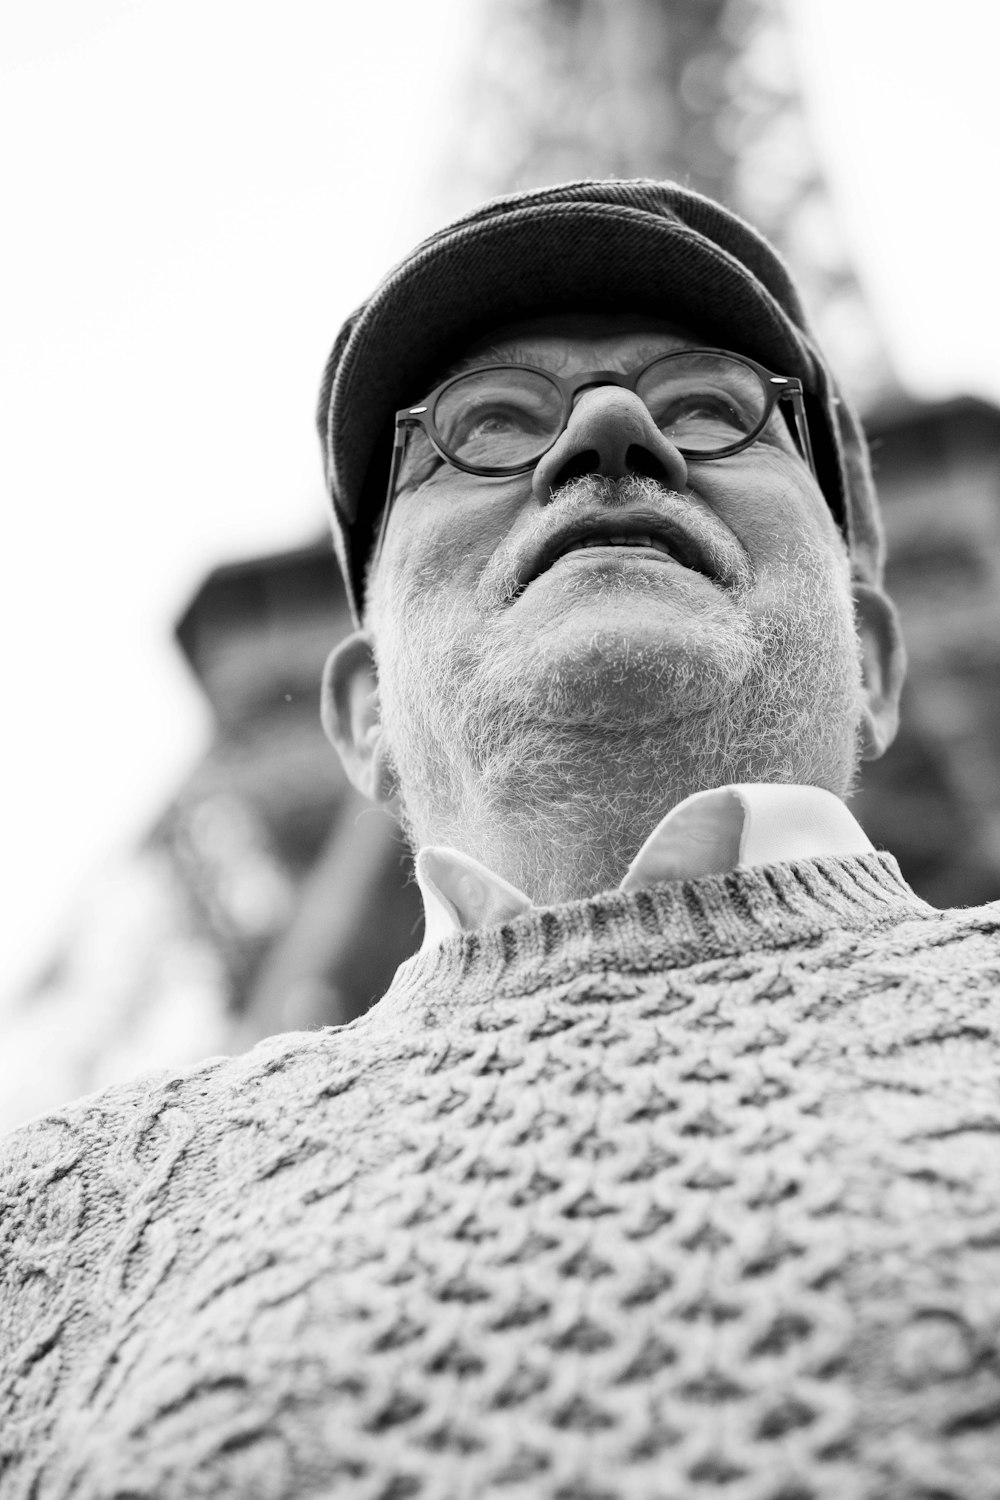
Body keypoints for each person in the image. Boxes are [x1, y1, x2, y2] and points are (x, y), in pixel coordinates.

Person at [3, 179, 998, 1499]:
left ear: (875, 658)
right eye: (483, 425)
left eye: (713, 410)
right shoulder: (56, 1222)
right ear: (357, 711)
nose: (608, 430)